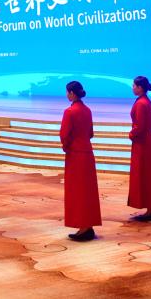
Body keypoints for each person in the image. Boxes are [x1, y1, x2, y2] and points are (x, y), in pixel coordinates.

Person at [60, 80, 101, 241]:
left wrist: (66, 147)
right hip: (87, 154)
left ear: (71, 93)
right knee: (87, 191)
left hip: (75, 155)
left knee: (77, 191)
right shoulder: (87, 110)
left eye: (67, 92)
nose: (66, 95)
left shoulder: (69, 112)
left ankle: (84, 227)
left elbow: (64, 135)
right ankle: (87, 226)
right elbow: (90, 133)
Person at [128, 75, 151, 222]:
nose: (132, 88)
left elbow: (140, 126)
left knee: (145, 174)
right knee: (149, 174)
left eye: (134, 86)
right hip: (147, 141)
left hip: (142, 143)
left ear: (140, 87)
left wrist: (131, 134)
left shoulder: (141, 103)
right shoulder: (146, 102)